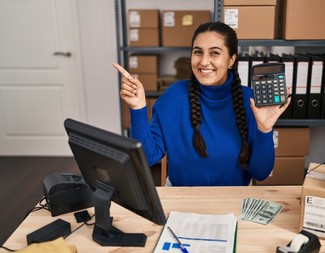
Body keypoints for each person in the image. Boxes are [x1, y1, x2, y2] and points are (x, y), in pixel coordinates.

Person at [115, 21, 291, 186]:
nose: (204, 61)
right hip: (181, 200)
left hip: (230, 203)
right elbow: (147, 158)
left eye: (214, 53)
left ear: (231, 60)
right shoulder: (173, 97)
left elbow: (260, 173)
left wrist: (265, 130)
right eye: (198, 52)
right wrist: (137, 108)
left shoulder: (251, 101)